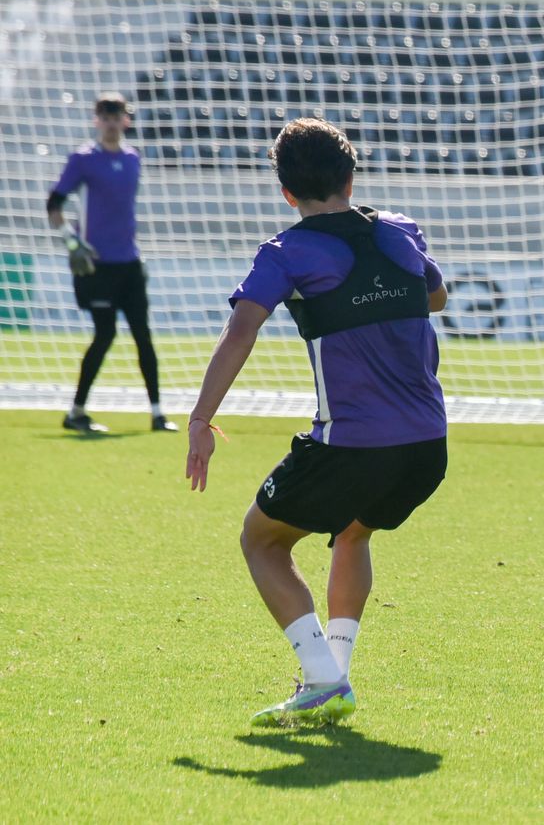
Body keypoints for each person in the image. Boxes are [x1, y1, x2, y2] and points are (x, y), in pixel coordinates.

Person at [185, 118, 450, 726]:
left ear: (286, 192)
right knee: (354, 532)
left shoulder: (287, 252)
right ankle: (334, 679)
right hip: (428, 446)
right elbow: (436, 297)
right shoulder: (400, 230)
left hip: (351, 443)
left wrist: (201, 418)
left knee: (262, 540)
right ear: (351, 179)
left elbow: (241, 331)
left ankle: (323, 678)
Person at [46, 92, 175, 434]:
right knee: (104, 335)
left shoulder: (133, 158)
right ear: (96, 121)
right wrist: (71, 242)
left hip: (129, 263)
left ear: (126, 121)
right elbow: (54, 204)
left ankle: (158, 414)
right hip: (97, 265)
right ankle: (76, 411)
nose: (111, 123)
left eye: (116, 117)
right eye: (105, 117)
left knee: (143, 336)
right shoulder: (83, 159)